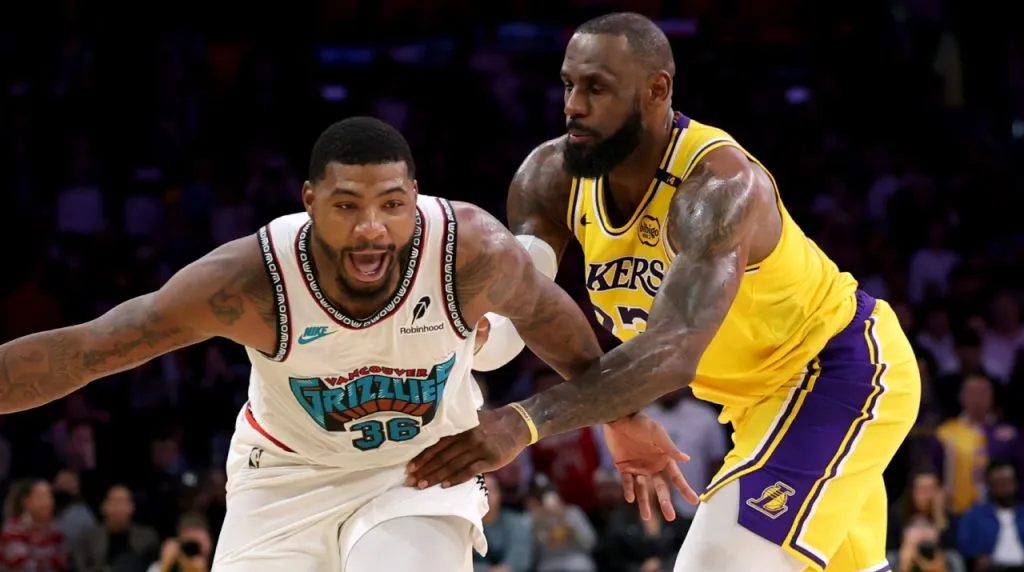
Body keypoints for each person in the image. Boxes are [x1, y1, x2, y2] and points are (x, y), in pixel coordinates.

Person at [0, 116, 684, 571]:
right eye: (347, 206)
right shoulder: (251, 279)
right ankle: (485, 332)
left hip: (420, 467)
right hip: (286, 476)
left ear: (415, 196)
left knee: (508, 314)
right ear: (309, 201)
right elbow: (87, 351)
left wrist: (622, 418)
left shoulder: (467, 248)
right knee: (491, 334)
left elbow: (565, 335)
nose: (371, 229)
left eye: (391, 204)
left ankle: (510, 288)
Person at [407, 13, 921, 572]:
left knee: (715, 564)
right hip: (753, 407)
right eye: (568, 84)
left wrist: (522, 422)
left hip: (839, 373)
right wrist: (478, 332)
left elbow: (672, 352)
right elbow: (526, 306)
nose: (572, 105)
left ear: (657, 90)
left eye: (596, 88)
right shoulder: (549, 177)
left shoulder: (718, 186)